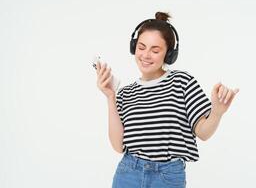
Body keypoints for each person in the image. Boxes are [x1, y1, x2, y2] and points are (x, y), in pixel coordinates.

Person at [96, 11, 239, 188]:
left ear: (169, 54)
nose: (146, 55)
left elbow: (203, 132)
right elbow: (118, 146)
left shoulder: (182, 82)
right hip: (128, 173)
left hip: (167, 177)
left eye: (155, 50)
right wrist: (111, 96)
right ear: (134, 47)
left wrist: (217, 113)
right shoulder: (126, 93)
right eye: (141, 47)